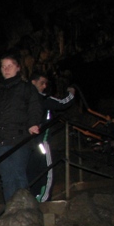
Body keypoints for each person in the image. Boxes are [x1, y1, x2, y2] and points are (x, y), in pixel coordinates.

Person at [0, 54, 43, 204]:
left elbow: (35, 107)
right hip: (0, 138)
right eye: (3, 66)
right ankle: (11, 212)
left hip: (19, 137)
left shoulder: (26, 88)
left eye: (9, 66)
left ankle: (25, 211)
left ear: (17, 68)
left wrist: (33, 124)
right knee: (7, 177)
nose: (6, 69)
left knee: (18, 174)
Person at [27, 71, 76, 201]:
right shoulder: (42, 99)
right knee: (47, 169)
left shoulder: (22, 100)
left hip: (28, 144)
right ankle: (43, 199)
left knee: (32, 169)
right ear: (33, 82)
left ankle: (33, 197)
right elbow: (63, 103)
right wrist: (71, 92)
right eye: (42, 83)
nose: (44, 86)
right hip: (41, 141)